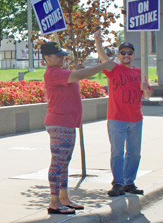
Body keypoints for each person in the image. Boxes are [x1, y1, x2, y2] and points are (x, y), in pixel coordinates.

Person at [41, 41, 115, 214]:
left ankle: (64, 198)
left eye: (62, 56)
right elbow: (79, 75)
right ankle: (54, 202)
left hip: (67, 123)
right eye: (58, 56)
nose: (62, 59)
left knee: (64, 163)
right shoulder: (53, 73)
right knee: (58, 162)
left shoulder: (60, 71)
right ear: (47, 58)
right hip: (59, 123)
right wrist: (103, 66)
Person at [94, 30, 152, 197]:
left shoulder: (140, 72)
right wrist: (97, 39)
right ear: (118, 55)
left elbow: (147, 96)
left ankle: (129, 182)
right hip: (117, 119)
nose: (126, 55)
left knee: (134, 153)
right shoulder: (114, 69)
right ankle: (118, 183)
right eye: (123, 53)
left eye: (129, 53)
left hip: (136, 119)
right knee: (117, 153)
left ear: (134, 56)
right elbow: (103, 57)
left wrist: (145, 89)